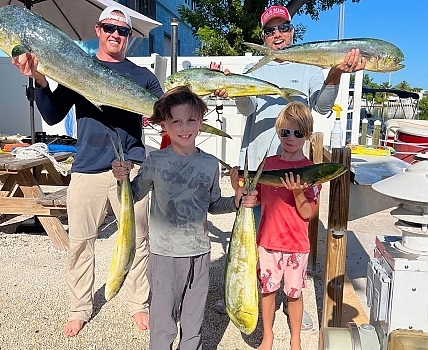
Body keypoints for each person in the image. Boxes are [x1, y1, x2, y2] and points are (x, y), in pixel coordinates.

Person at [211, 4, 366, 329]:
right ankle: (238, 295)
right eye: (270, 30)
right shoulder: (254, 68)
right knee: (248, 237)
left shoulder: (308, 67)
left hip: (292, 172)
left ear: (292, 31)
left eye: (283, 28)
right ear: (264, 36)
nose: (277, 34)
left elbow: (322, 106)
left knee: (289, 238)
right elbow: (247, 107)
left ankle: (291, 295)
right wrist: (233, 87)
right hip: (257, 170)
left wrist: (335, 73)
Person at [12, 6, 164, 337]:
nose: (115, 34)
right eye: (109, 27)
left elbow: (165, 115)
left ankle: (139, 303)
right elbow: (52, 115)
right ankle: (79, 307)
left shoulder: (144, 77)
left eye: (122, 30)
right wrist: (38, 78)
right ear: (98, 30)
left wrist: (203, 101)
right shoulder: (78, 68)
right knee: (81, 241)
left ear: (129, 36)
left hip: (132, 166)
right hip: (87, 166)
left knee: (140, 242)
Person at [112, 85, 258, 350]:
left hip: (200, 253)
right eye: (176, 121)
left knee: (193, 322)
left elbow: (213, 204)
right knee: (163, 320)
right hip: (164, 255)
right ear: (164, 124)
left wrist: (237, 201)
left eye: (191, 119)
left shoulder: (210, 163)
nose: (184, 127)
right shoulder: (155, 161)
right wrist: (121, 179)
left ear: (201, 122)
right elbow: (132, 195)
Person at [231, 102, 321, 350]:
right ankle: (267, 335)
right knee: (267, 290)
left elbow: (307, 213)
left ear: (308, 135)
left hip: (296, 243)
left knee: (294, 293)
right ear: (278, 131)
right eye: (285, 132)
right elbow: (254, 198)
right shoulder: (267, 164)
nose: (290, 138)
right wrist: (237, 187)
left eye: (298, 133)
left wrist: (299, 192)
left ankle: (295, 340)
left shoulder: (312, 170)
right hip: (268, 240)